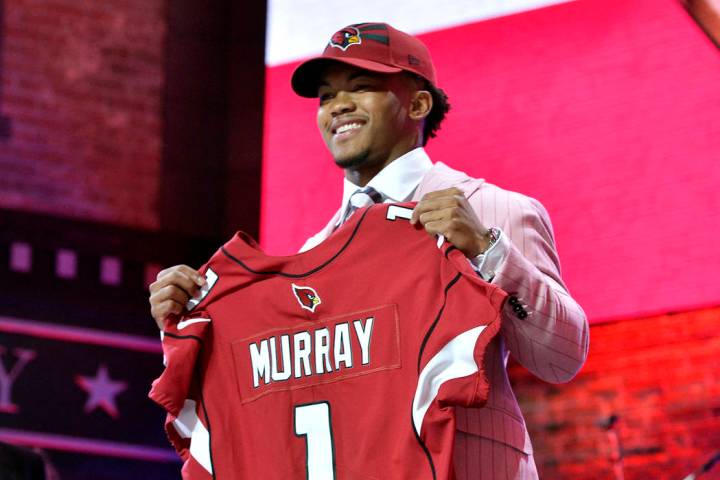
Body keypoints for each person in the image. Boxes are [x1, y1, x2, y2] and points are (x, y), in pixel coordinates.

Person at [149, 22, 589, 480]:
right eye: (325, 96)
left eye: (361, 88)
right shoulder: (315, 252)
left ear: (419, 103)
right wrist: (193, 321)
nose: (338, 106)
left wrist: (486, 249)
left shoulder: (491, 209)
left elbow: (562, 357)